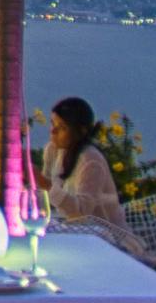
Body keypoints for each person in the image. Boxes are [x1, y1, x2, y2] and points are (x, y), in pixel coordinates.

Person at [41, 96, 129, 237]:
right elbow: (42, 197)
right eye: (53, 124)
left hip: (109, 239)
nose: (53, 131)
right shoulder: (53, 150)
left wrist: (45, 185)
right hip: (74, 232)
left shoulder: (91, 160)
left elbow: (81, 213)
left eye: (62, 127)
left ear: (81, 131)